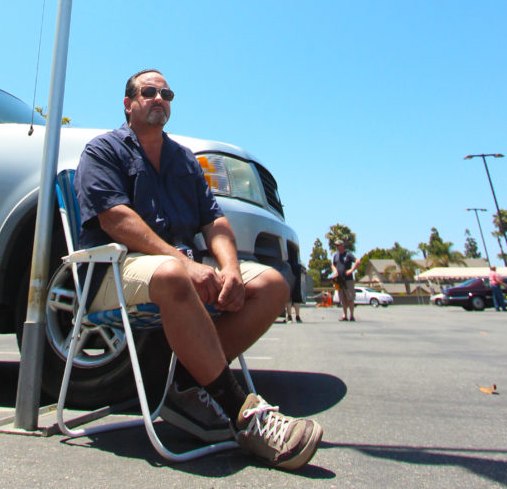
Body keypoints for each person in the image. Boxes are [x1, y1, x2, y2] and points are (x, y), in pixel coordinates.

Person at [73, 69, 322, 471]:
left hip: (179, 270)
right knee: (173, 275)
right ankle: (244, 413)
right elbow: (115, 219)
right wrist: (184, 263)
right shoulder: (103, 150)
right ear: (128, 103)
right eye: (149, 92)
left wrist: (231, 270)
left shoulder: (184, 161)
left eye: (166, 93)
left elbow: (215, 221)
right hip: (112, 275)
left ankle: (188, 386)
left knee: (272, 285)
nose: (159, 98)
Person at [331, 240, 360, 322]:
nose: (337, 247)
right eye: (336, 246)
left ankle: (351, 315)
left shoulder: (348, 254)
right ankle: (345, 315)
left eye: (338, 245)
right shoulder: (336, 255)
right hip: (340, 280)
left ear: (342, 246)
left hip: (348, 280)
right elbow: (333, 265)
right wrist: (335, 271)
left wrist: (351, 270)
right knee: (343, 298)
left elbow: (357, 261)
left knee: (350, 298)